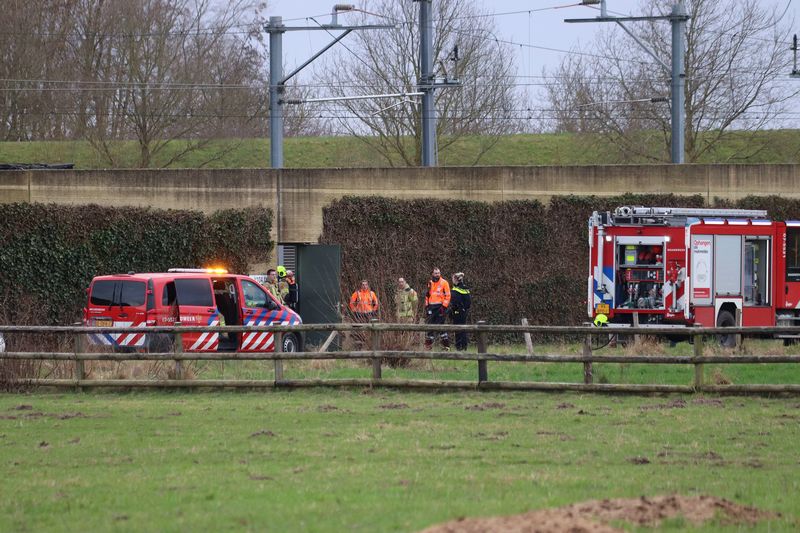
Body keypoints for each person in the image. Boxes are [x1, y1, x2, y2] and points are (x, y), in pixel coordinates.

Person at [424, 267, 451, 350]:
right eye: (436, 273)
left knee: (441, 326)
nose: (437, 275)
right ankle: (428, 346)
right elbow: (427, 295)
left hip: (440, 307)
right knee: (430, 326)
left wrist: (444, 306)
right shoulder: (430, 283)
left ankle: (446, 346)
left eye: (438, 273)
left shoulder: (444, 282)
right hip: (431, 307)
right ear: (432, 274)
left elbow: (448, 295)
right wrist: (427, 306)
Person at [449, 272, 471, 350]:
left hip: (459, 312)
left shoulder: (457, 289)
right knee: (462, 329)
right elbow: (468, 302)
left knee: (458, 329)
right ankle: (463, 346)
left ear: (456, 280)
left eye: (453, 279)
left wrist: (457, 309)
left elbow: (455, 302)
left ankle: (459, 347)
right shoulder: (464, 288)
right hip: (461, 312)